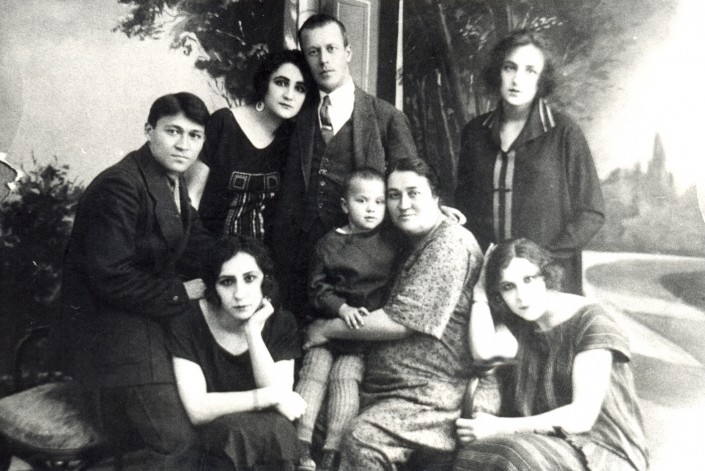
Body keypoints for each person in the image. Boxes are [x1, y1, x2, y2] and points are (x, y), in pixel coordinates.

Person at [59, 92, 219, 469]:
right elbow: (110, 278)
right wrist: (183, 292)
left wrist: (246, 267)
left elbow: (198, 244)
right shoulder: (120, 186)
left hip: (145, 326)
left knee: (211, 416)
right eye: (173, 131)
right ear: (149, 130)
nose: (183, 144)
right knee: (176, 444)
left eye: (194, 135)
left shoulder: (171, 181)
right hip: (108, 340)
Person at [305, 159, 483, 470]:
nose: (403, 204)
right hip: (386, 385)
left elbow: (400, 323)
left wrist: (326, 329)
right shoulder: (408, 238)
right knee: (306, 425)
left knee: (360, 439)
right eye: (393, 195)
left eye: (414, 193)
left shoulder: (450, 244)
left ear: (436, 197)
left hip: (428, 394)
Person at [271, 13, 419, 320]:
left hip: (365, 271)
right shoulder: (295, 115)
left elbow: (409, 183)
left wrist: (436, 209)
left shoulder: (386, 118)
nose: (324, 60)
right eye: (313, 52)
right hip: (298, 260)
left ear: (348, 52)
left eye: (331, 49)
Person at [455, 238, 648, 471]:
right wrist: (480, 295)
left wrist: (499, 427)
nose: (521, 296)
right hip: (546, 442)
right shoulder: (520, 320)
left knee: (511, 456)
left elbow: (582, 416)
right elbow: (484, 353)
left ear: (547, 276)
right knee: (473, 454)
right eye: (508, 287)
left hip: (603, 449)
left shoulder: (590, 321)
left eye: (528, 279)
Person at [454, 29, 604, 295]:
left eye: (530, 71)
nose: (517, 79)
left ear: (542, 79)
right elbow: (463, 208)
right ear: (498, 72)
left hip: (548, 280)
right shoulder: (474, 132)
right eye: (509, 67)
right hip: (486, 279)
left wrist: (543, 262)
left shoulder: (564, 132)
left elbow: (591, 213)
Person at [170, 236, 306, 471]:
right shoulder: (188, 322)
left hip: (269, 439)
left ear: (265, 280)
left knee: (277, 429)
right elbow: (197, 410)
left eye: (250, 279)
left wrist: (252, 333)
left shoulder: (281, 323)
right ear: (212, 286)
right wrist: (265, 397)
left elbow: (279, 401)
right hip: (217, 444)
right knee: (236, 433)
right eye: (226, 282)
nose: (240, 294)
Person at [295, 168, 400, 471]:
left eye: (379, 202)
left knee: (346, 379)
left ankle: (333, 451)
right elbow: (317, 289)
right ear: (345, 205)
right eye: (361, 201)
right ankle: (300, 446)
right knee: (314, 373)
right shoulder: (328, 244)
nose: (371, 209)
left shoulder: (391, 241)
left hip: (360, 337)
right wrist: (342, 309)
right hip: (326, 326)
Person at [186, 50, 314, 241]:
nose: (289, 95)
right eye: (281, 83)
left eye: (300, 88)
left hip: (264, 253)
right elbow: (191, 199)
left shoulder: (292, 138)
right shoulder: (223, 123)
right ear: (264, 83)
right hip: (211, 246)